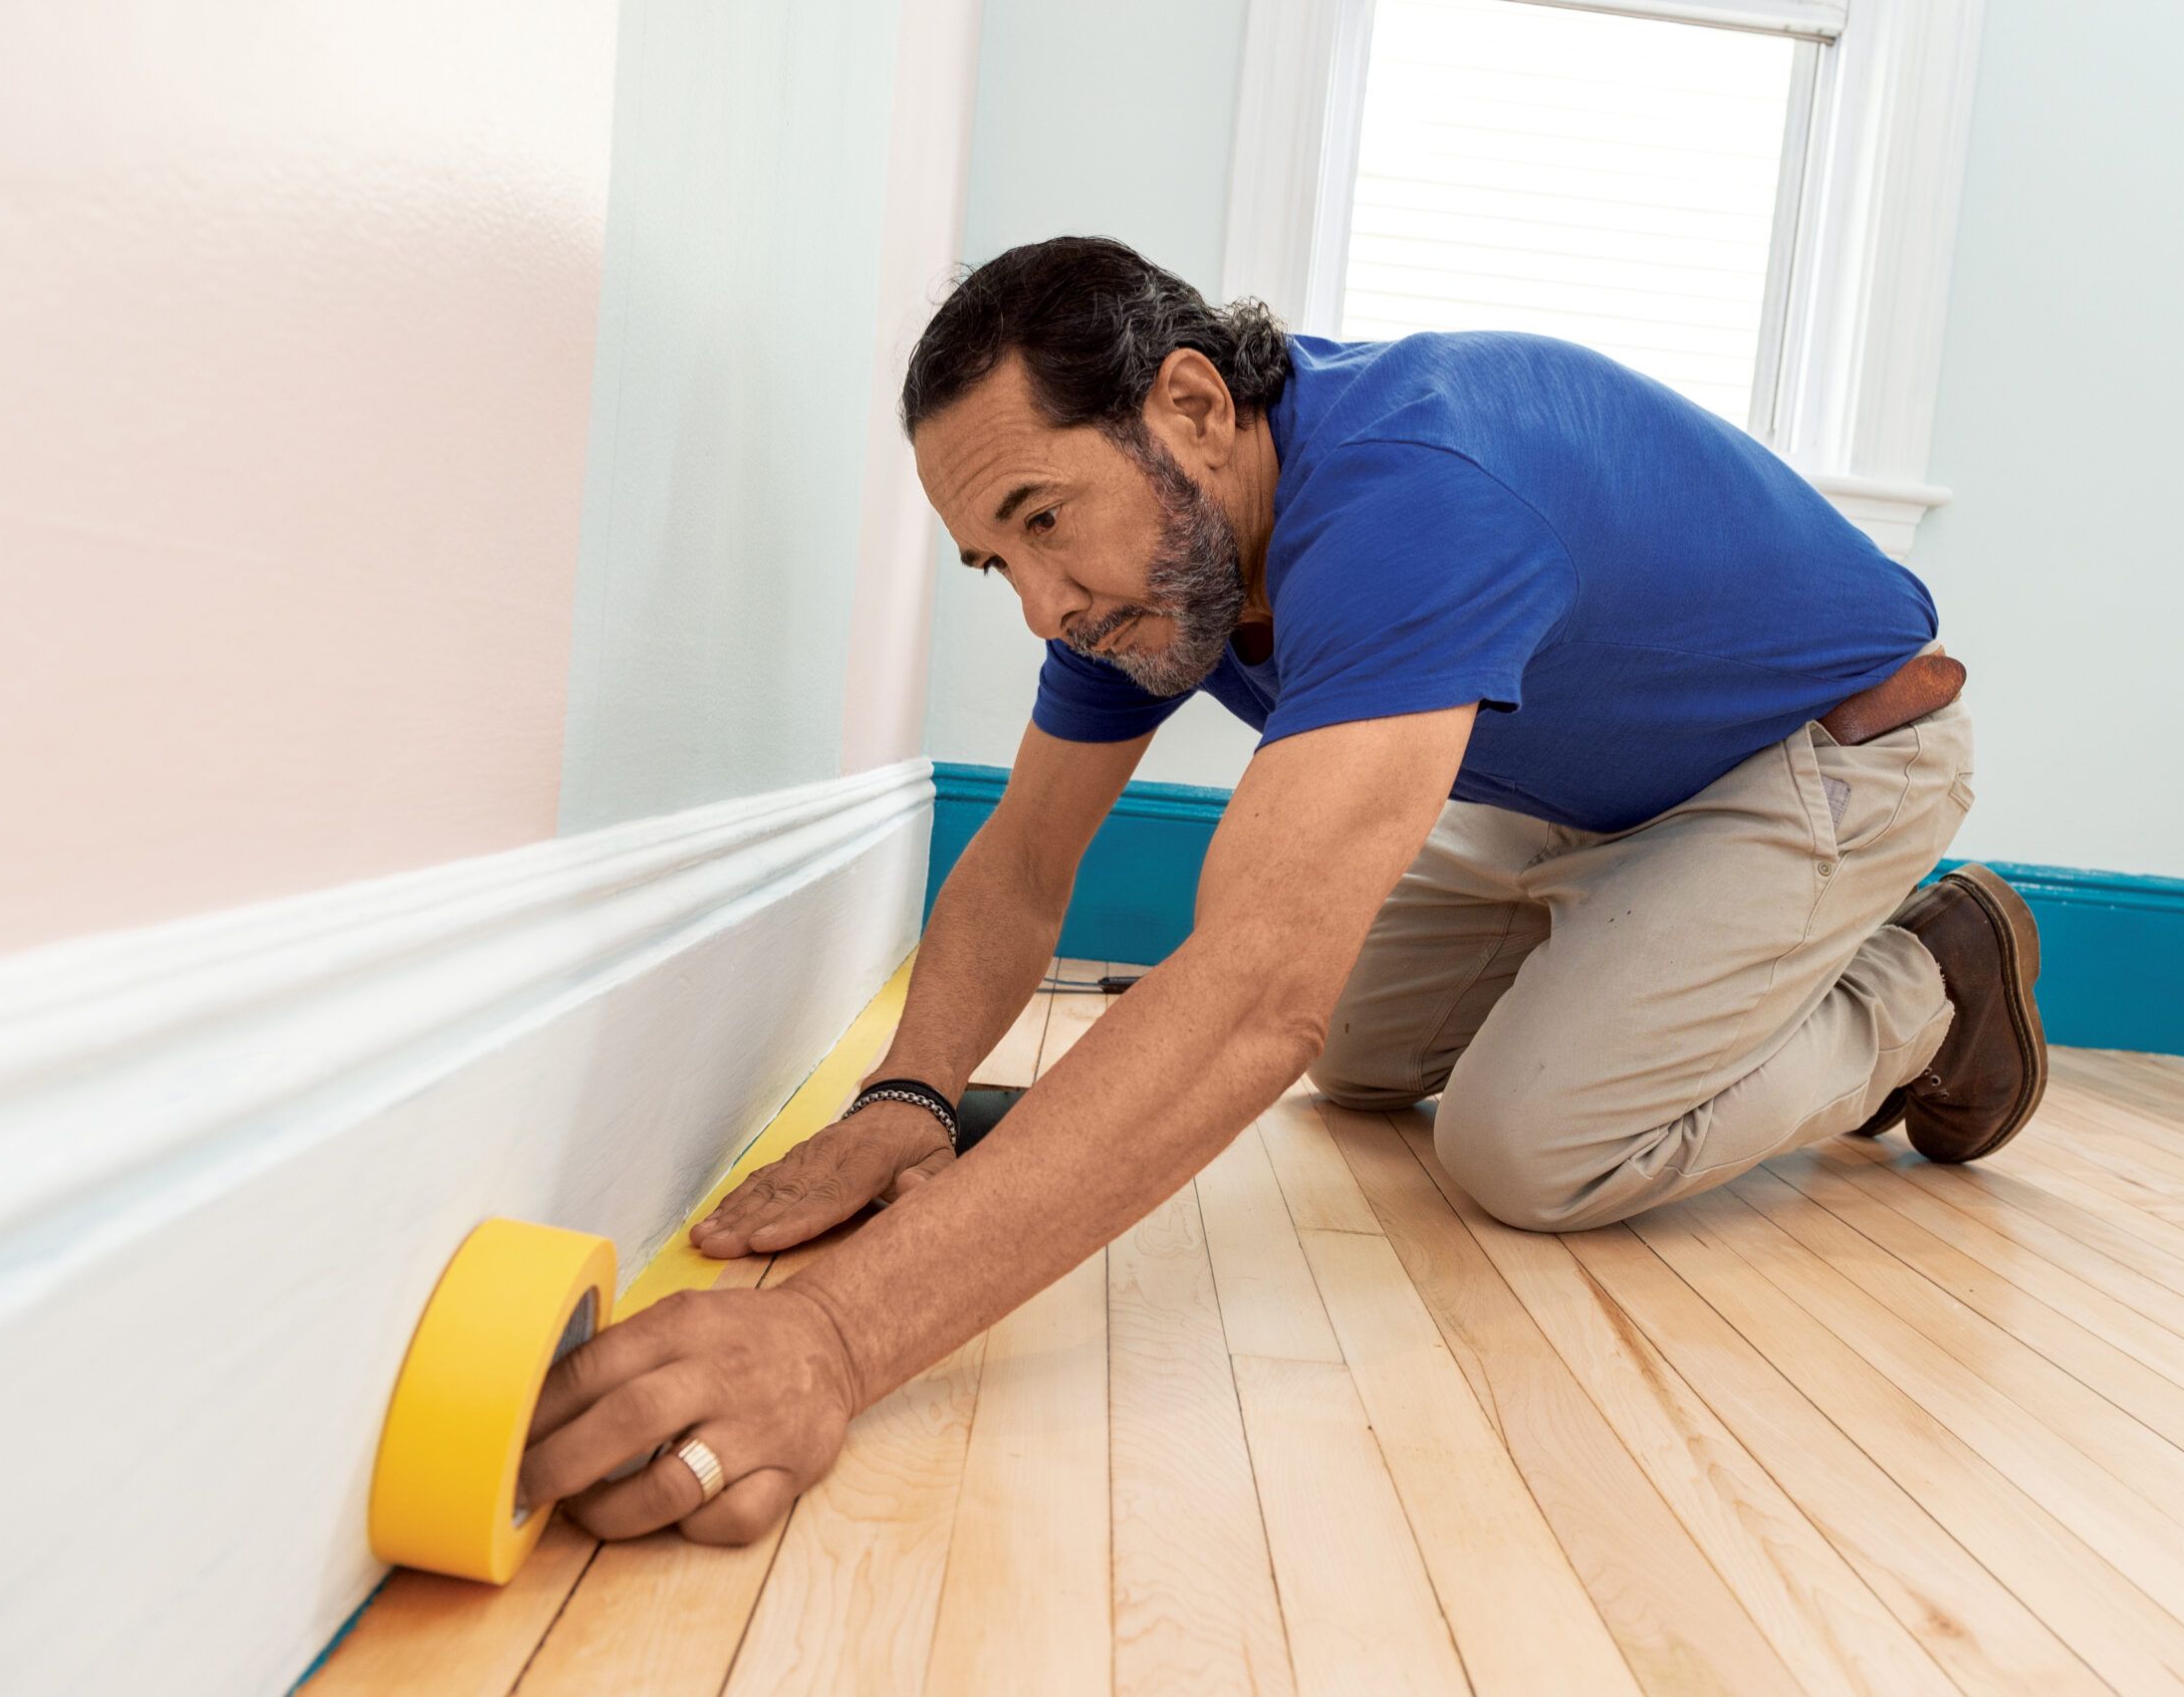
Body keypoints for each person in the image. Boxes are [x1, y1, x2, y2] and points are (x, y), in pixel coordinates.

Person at [515, 235, 2047, 1549]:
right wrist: (908, 1098)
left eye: (1043, 520)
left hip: (1822, 755)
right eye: (998, 563)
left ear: (1189, 402)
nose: (1043, 603)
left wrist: (833, 1339)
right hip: (1576, 791)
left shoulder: (1415, 499)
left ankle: (1928, 985)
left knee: (1527, 1149)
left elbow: (1251, 994)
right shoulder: (1158, 570)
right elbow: (1024, 862)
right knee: (1362, 1064)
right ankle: (1658, 956)